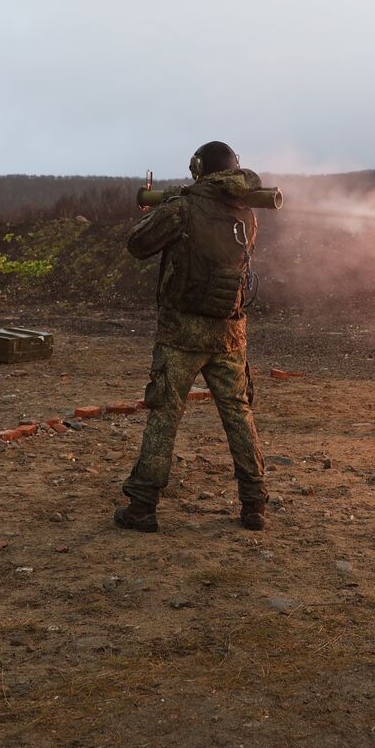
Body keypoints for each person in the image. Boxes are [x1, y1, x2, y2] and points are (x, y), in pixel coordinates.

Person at [115, 141, 268, 533]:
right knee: (238, 414)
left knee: (164, 414)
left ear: (199, 168)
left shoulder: (183, 208)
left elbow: (137, 245)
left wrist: (163, 209)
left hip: (181, 332)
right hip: (230, 333)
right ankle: (254, 503)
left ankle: (143, 505)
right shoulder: (247, 213)